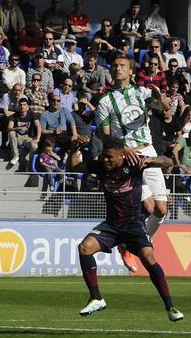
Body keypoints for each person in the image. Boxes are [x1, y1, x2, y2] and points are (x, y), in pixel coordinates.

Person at [68, 135, 183, 321]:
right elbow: (74, 166)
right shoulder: (100, 167)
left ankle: (170, 306)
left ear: (122, 156)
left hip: (134, 225)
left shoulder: (135, 165)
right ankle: (96, 298)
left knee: (148, 258)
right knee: (84, 247)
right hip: (112, 225)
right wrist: (74, 149)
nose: (106, 160)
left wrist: (150, 159)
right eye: (105, 156)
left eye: (110, 157)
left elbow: (168, 161)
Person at [96, 52, 171, 257]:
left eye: (122, 65)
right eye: (115, 65)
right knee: (147, 205)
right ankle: (134, 245)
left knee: (161, 210)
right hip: (126, 155)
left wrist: (160, 98)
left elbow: (166, 110)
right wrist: (122, 150)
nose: (117, 68)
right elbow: (104, 135)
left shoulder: (143, 93)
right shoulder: (105, 101)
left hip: (148, 151)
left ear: (130, 71)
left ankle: (138, 241)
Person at [8, 98, 40, 167]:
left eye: (24, 105)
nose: (22, 106)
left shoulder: (32, 114)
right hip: (18, 138)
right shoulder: (14, 115)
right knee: (11, 133)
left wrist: (37, 138)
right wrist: (18, 128)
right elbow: (9, 128)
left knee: (35, 146)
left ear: (27, 107)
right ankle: (15, 155)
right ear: (18, 106)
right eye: (20, 105)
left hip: (28, 138)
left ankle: (30, 164)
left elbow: (38, 126)